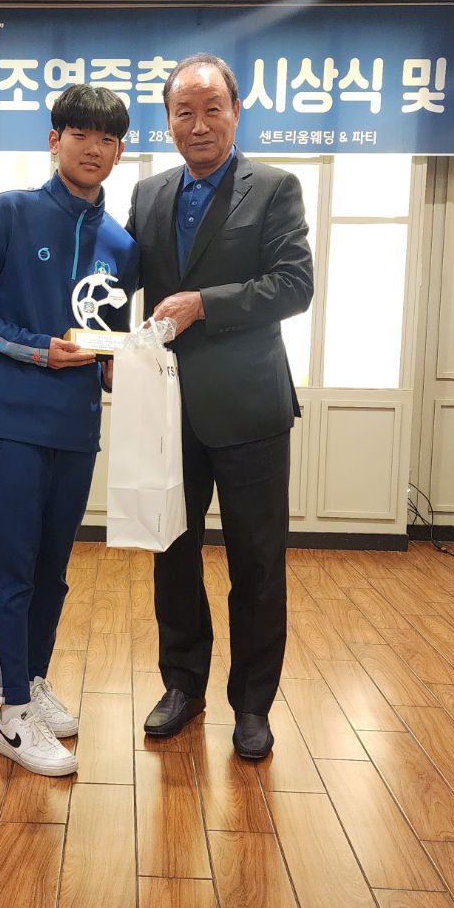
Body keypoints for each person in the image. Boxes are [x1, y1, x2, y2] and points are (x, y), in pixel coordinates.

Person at [0, 83, 138, 777]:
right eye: (80, 133)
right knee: (13, 567)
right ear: (54, 140)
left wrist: (123, 368)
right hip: (12, 421)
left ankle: (35, 678)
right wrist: (34, 350)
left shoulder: (121, 243)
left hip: (76, 427)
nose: (94, 148)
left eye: (107, 138)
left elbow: (110, 336)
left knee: (53, 569)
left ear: (119, 151)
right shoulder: (10, 211)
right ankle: (10, 708)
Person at [126, 53, 313, 760]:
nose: (198, 124)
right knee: (171, 553)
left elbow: (294, 284)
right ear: (168, 120)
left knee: (257, 563)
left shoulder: (275, 188)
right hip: (166, 408)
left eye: (212, 109)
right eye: (184, 111)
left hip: (249, 408)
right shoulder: (147, 194)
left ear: (236, 112)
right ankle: (183, 685)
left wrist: (205, 304)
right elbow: (119, 283)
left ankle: (253, 704)